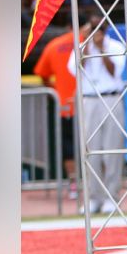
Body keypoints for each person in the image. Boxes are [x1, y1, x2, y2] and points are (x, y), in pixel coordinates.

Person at [69, 9, 127, 214]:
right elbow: (75, 69)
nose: (97, 33)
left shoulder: (116, 46)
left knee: (112, 149)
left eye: (99, 29)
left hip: (111, 97)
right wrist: (86, 46)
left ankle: (112, 195)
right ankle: (93, 197)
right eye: (93, 29)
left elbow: (114, 71)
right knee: (90, 150)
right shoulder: (82, 46)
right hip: (89, 100)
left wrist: (102, 49)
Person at [33, 28, 79, 197]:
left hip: (65, 105)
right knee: (95, 145)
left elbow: (42, 74)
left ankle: (74, 184)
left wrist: (56, 90)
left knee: (68, 148)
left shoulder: (54, 45)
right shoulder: (91, 41)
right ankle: (96, 184)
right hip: (87, 103)